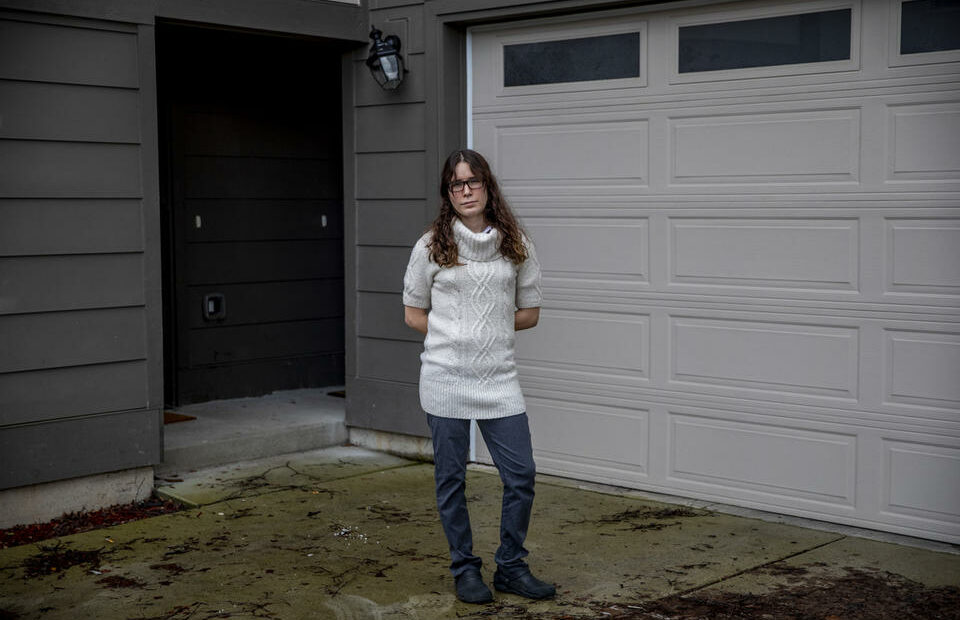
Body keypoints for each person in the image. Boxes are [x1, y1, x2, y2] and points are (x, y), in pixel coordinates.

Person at [402, 149, 555, 604]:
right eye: (455, 184)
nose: (465, 191)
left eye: (473, 182)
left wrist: (485, 331)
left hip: (498, 379)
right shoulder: (431, 245)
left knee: (521, 475)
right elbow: (413, 315)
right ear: (447, 194)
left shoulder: (517, 244)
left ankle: (510, 566)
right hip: (445, 377)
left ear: (488, 187)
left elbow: (529, 314)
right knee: (451, 480)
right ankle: (465, 569)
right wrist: (459, 335)